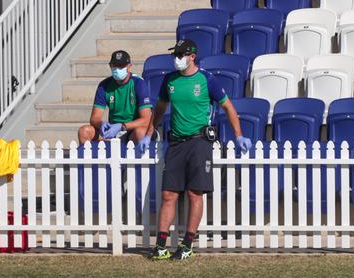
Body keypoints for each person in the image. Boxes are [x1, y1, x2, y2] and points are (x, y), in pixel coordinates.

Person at [140, 39, 252, 261]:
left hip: (199, 142)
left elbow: (228, 106)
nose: (177, 59)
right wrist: (147, 134)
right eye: (175, 55)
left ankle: (188, 244)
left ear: (192, 56)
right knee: (168, 194)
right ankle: (161, 246)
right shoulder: (169, 81)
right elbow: (160, 109)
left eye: (181, 55)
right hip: (176, 143)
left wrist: (238, 135)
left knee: (194, 193)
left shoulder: (207, 80)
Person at [78, 50, 153, 144]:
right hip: (112, 130)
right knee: (84, 131)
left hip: (131, 129)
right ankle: (94, 157)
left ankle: (132, 156)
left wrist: (122, 126)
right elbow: (94, 118)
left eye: (121, 66)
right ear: (110, 66)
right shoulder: (104, 85)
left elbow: (146, 119)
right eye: (115, 66)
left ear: (129, 67)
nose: (117, 69)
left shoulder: (138, 84)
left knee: (141, 132)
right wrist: (101, 124)